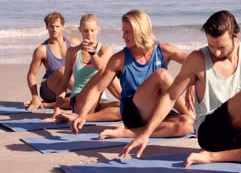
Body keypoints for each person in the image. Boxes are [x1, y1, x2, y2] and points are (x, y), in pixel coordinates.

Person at [120, 10, 241, 164]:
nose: (216, 52)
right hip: (210, 132)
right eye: (211, 46)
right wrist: (146, 134)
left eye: (221, 47)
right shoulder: (197, 59)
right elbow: (170, 97)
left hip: (238, 130)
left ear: (236, 37)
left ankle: (217, 157)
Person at [71, 9, 194, 139]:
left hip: (156, 110)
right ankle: (193, 118)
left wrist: (191, 83)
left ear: (141, 31)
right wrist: (82, 115)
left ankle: (129, 133)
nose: (124, 36)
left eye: (128, 32)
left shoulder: (164, 50)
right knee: (162, 75)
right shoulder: (119, 59)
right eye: (123, 32)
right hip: (133, 111)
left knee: (186, 124)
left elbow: (196, 63)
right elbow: (97, 88)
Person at [46, 13, 122, 124]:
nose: (89, 34)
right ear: (80, 30)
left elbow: (99, 66)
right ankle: (81, 114)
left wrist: (93, 53)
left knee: (122, 110)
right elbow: (65, 82)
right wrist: (57, 108)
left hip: (99, 100)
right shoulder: (73, 52)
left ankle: (79, 117)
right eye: (85, 31)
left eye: (92, 30)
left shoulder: (105, 50)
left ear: (98, 29)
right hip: (79, 101)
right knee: (105, 70)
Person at [26, 11, 80, 110]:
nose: (54, 29)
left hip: (67, 88)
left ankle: (46, 105)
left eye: (57, 26)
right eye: (51, 26)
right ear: (47, 27)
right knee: (62, 70)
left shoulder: (74, 43)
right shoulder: (41, 50)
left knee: (76, 102)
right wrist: (35, 96)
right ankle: (84, 94)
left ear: (63, 27)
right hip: (49, 89)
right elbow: (31, 74)